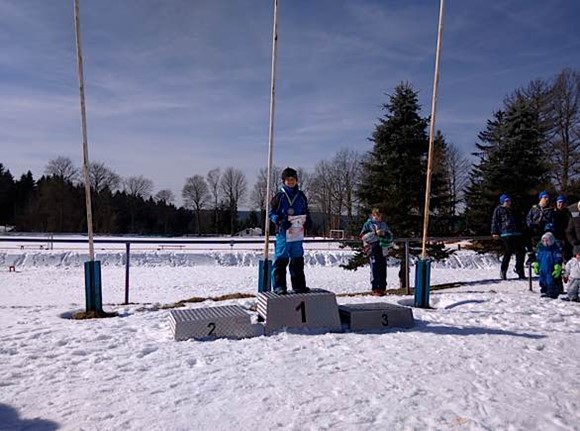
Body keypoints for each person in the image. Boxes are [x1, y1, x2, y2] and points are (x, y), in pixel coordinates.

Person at [269, 167, 312, 295]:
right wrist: (279, 220)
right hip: (284, 233)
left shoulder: (301, 196)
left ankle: (299, 285)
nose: (291, 182)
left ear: (297, 180)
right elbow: (271, 214)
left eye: (293, 179)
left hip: (297, 232)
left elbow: (305, 211)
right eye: (288, 180)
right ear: (284, 181)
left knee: (297, 258)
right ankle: (279, 286)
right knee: (281, 259)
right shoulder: (280, 196)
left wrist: (308, 220)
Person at [491, 194, 526, 280]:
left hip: (516, 233)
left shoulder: (514, 209)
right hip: (506, 233)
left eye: (509, 201)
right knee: (508, 251)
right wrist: (494, 232)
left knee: (521, 251)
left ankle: (519, 269)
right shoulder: (499, 210)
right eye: (507, 201)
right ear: (503, 202)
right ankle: (503, 270)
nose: (509, 203)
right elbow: (495, 221)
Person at [360, 208, 393, 296]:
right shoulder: (368, 224)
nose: (378, 217)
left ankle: (382, 287)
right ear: (373, 215)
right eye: (376, 215)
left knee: (383, 268)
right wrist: (374, 233)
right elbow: (363, 237)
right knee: (375, 268)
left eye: (380, 215)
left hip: (382, 248)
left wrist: (385, 234)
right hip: (372, 249)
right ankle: (375, 287)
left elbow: (390, 236)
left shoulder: (384, 224)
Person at [531, 231, 563, 299]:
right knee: (542, 280)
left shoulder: (554, 250)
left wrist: (557, 265)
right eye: (544, 241)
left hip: (550, 268)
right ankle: (544, 290)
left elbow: (558, 258)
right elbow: (538, 258)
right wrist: (536, 264)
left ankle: (552, 292)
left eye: (547, 241)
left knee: (550, 280)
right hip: (542, 269)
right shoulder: (541, 250)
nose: (545, 242)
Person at [552, 195, 572, 262]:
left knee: (567, 256)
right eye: (559, 202)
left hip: (566, 238)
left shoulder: (568, 213)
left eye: (563, 202)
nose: (561, 204)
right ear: (557, 203)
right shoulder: (552, 213)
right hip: (556, 237)